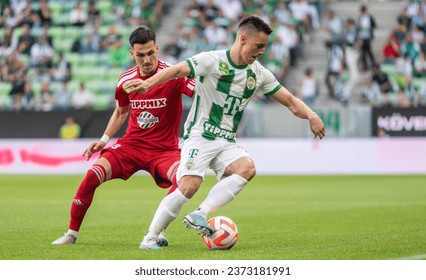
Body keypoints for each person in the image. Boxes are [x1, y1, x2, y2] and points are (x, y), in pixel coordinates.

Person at [125, 16, 325, 250]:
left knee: (246, 168)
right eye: (259, 45)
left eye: (265, 46)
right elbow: (178, 70)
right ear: (242, 39)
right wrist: (149, 84)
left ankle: (201, 212)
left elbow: (290, 101)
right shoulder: (211, 61)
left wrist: (311, 115)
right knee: (189, 186)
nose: (262, 51)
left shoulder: (258, 74)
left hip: (226, 141)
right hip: (200, 135)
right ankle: (150, 237)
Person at [51, 27, 195, 245]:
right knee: (92, 175)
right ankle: (71, 234)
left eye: (150, 53)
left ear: (157, 48)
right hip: (131, 147)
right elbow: (121, 112)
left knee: (183, 180)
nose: (147, 60)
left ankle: (157, 231)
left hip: (164, 151)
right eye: (140, 55)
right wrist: (103, 140)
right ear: (132, 54)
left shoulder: (173, 75)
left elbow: (200, 93)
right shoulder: (125, 80)